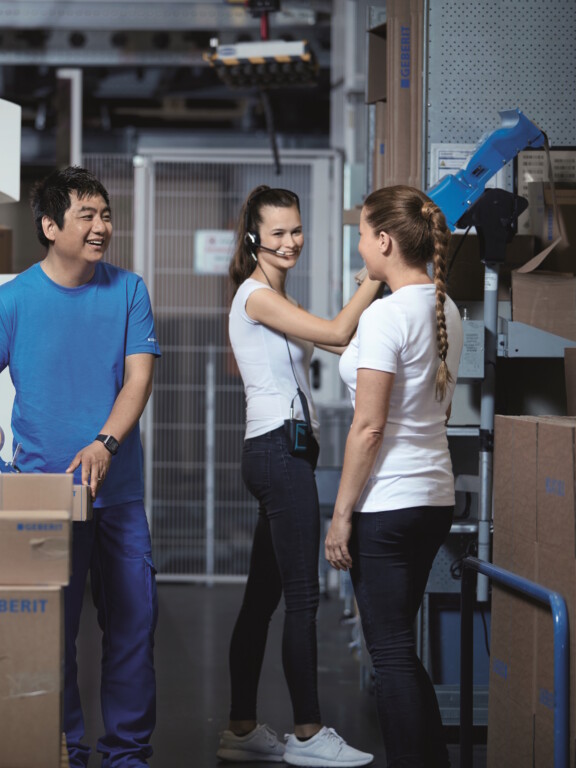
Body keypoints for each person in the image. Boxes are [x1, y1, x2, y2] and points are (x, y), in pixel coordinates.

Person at [0, 166, 161, 768]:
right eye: (86, 216)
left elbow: (140, 378)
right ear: (50, 225)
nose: (101, 227)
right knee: (51, 640)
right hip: (39, 501)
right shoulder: (11, 301)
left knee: (133, 631)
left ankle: (127, 756)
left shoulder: (129, 290)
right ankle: (66, 751)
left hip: (118, 495)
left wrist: (104, 444)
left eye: (105, 214)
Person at [220, 185, 379, 767]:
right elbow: (336, 334)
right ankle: (309, 734)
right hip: (275, 452)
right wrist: (374, 274)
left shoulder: (273, 295)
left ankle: (239, 729)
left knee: (263, 598)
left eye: (296, 229)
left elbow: (329, 334)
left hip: (284, 452)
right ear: (254, 237)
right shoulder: (255, 296)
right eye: (278, 232)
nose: (290, 242)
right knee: (303, 597)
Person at [325, 185, 463, 767]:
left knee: (392, 655)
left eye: (361, 233)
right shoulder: (444, 308)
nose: (359, 244)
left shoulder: (385, 316)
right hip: (433, 497)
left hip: (387, 506)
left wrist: (340, 514)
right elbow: (440, 410)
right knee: (401, 651)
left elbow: (368, 429)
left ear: (384, 241)